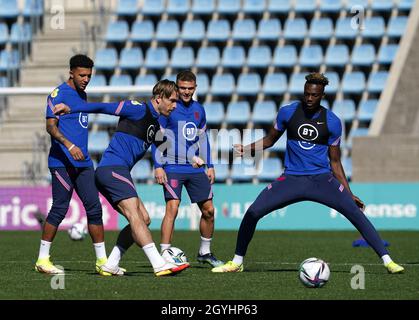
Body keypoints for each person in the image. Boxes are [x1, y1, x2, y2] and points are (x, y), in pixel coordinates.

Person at [211, 73, 405, 274]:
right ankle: (236, 262)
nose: (309, 98)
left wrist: (349, 193)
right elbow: (269, 140)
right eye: (306, 94)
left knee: (355, 213)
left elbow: (336, 163)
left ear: (322, 95)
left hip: (322, 180)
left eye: (314, 95)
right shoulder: (288, 113)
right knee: (252, 213)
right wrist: (247, 148)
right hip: (291, 179)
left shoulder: (332, 122)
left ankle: (388, 261)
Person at [53, 79, 189, 276]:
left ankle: (111, 263)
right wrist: (71, 108)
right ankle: (159, 264)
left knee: (144, 218)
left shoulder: (155, 125)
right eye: (173, 101)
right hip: (112, 169)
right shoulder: (136, 108)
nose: (175, 105)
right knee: (135, 215)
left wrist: (194, 158)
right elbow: (103, 106)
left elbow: (168, 150)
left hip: (115, 172)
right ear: (159, 99)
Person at [35, 54, 109, 275]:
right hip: (61, 162)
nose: (86, 79)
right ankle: (42, 260)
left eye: (89, 75)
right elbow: (50, 127)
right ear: (71, 73)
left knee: (94, 208)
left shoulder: (82, 95)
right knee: (59, 208)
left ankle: (102, 262)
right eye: (82, 75)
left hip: (83, 162)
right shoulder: (57, 94)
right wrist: (69, 145)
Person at [151, 70, 223, 268]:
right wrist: (158, 166)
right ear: (177, 86)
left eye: (190, 88)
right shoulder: (170, 108)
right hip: (172, 166)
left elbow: (203, 139)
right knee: (172, 208)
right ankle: (163, 255)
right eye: (182, 88)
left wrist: (210, 165)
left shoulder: (199, 109)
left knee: (209, 211)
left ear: (195, 88)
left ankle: (205, 252)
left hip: (195, 168)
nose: (186, 92)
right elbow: (157, 138)